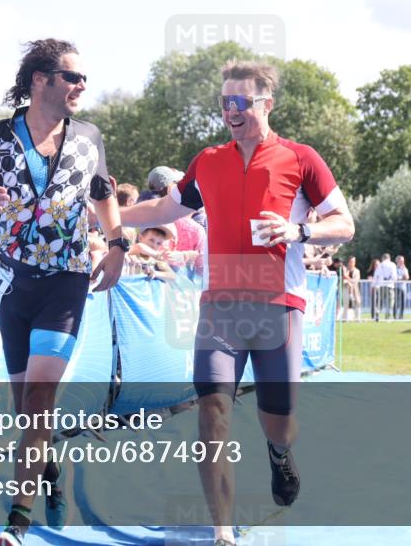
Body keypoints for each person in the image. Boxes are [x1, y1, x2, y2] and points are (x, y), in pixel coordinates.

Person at [117, 59, 354, 546]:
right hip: (220, 308)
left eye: (241, 101)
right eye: (225, 102)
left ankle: (279, 453)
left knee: (280, 421)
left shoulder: (301, 158)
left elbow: (345, 223)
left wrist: (299, 231)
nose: (232, 110)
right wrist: (108, 216)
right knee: (212, 412)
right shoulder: (208, 161)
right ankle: (223, 533)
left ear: (267, 104)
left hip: (278, 306)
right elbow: (165, 207)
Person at [0, 39, 126, 545]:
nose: (82, 86)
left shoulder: (89, 137)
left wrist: (116, 245)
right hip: (11, 281)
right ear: (40, 80)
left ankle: (16, 521)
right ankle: (49, 463)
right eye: (72, 77)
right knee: (26, 406)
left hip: (67, 278)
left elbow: (103, 196)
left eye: (84, 78)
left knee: (42, 394)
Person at [341, 256, 361, 321]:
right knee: (345, 304)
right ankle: (344, 319)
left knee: (357, 303)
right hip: (346, 288)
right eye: (351, 261)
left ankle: (357, 318)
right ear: (349, 262)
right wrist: (348, 281)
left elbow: (356, 280)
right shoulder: (345, 270)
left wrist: (348, 280)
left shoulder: (357, 271)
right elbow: (343, 279)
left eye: (354, 261)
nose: (353, 263)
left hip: (355, 289)